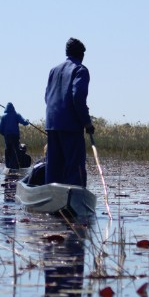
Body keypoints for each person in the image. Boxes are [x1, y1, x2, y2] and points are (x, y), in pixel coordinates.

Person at [45, 37, 94, 187]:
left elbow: (47, 97)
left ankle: (52, 198)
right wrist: (87, 123)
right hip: (71, 126)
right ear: (81, 55)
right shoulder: (80, 70)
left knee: (54, 167)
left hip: (52, 124)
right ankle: (74, 198)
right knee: (75, 168)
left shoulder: (54, 70)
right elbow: (78, 97)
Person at [0, 102, 29, 170]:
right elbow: (24, 122)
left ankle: (8, 166)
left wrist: (4, 134)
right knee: (16, 150)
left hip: (7, 137)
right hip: (15, 136)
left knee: (8, 150)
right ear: (13, 108)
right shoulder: (17, 115)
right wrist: (27, 121)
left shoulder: (3, 117)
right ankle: (15, 166)